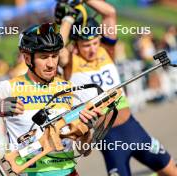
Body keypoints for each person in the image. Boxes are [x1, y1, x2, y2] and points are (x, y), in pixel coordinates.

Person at [0, 23, 101, 176]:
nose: (51, 64)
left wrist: (86, 132)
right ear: (27, 58)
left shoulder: (69, 88)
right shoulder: (8, 88)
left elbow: (85, 150)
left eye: (54, 56)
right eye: (43, 57)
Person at [56, 1, 177, 175]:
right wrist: (67, 20)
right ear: (75, 45)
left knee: (172, 171)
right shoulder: (70, 62)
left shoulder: (106, 51)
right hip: (108, 139)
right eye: (86, 45)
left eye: (94, 43)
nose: (92, 49)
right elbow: (58, 49)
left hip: (133, 128)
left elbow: (110, 13)